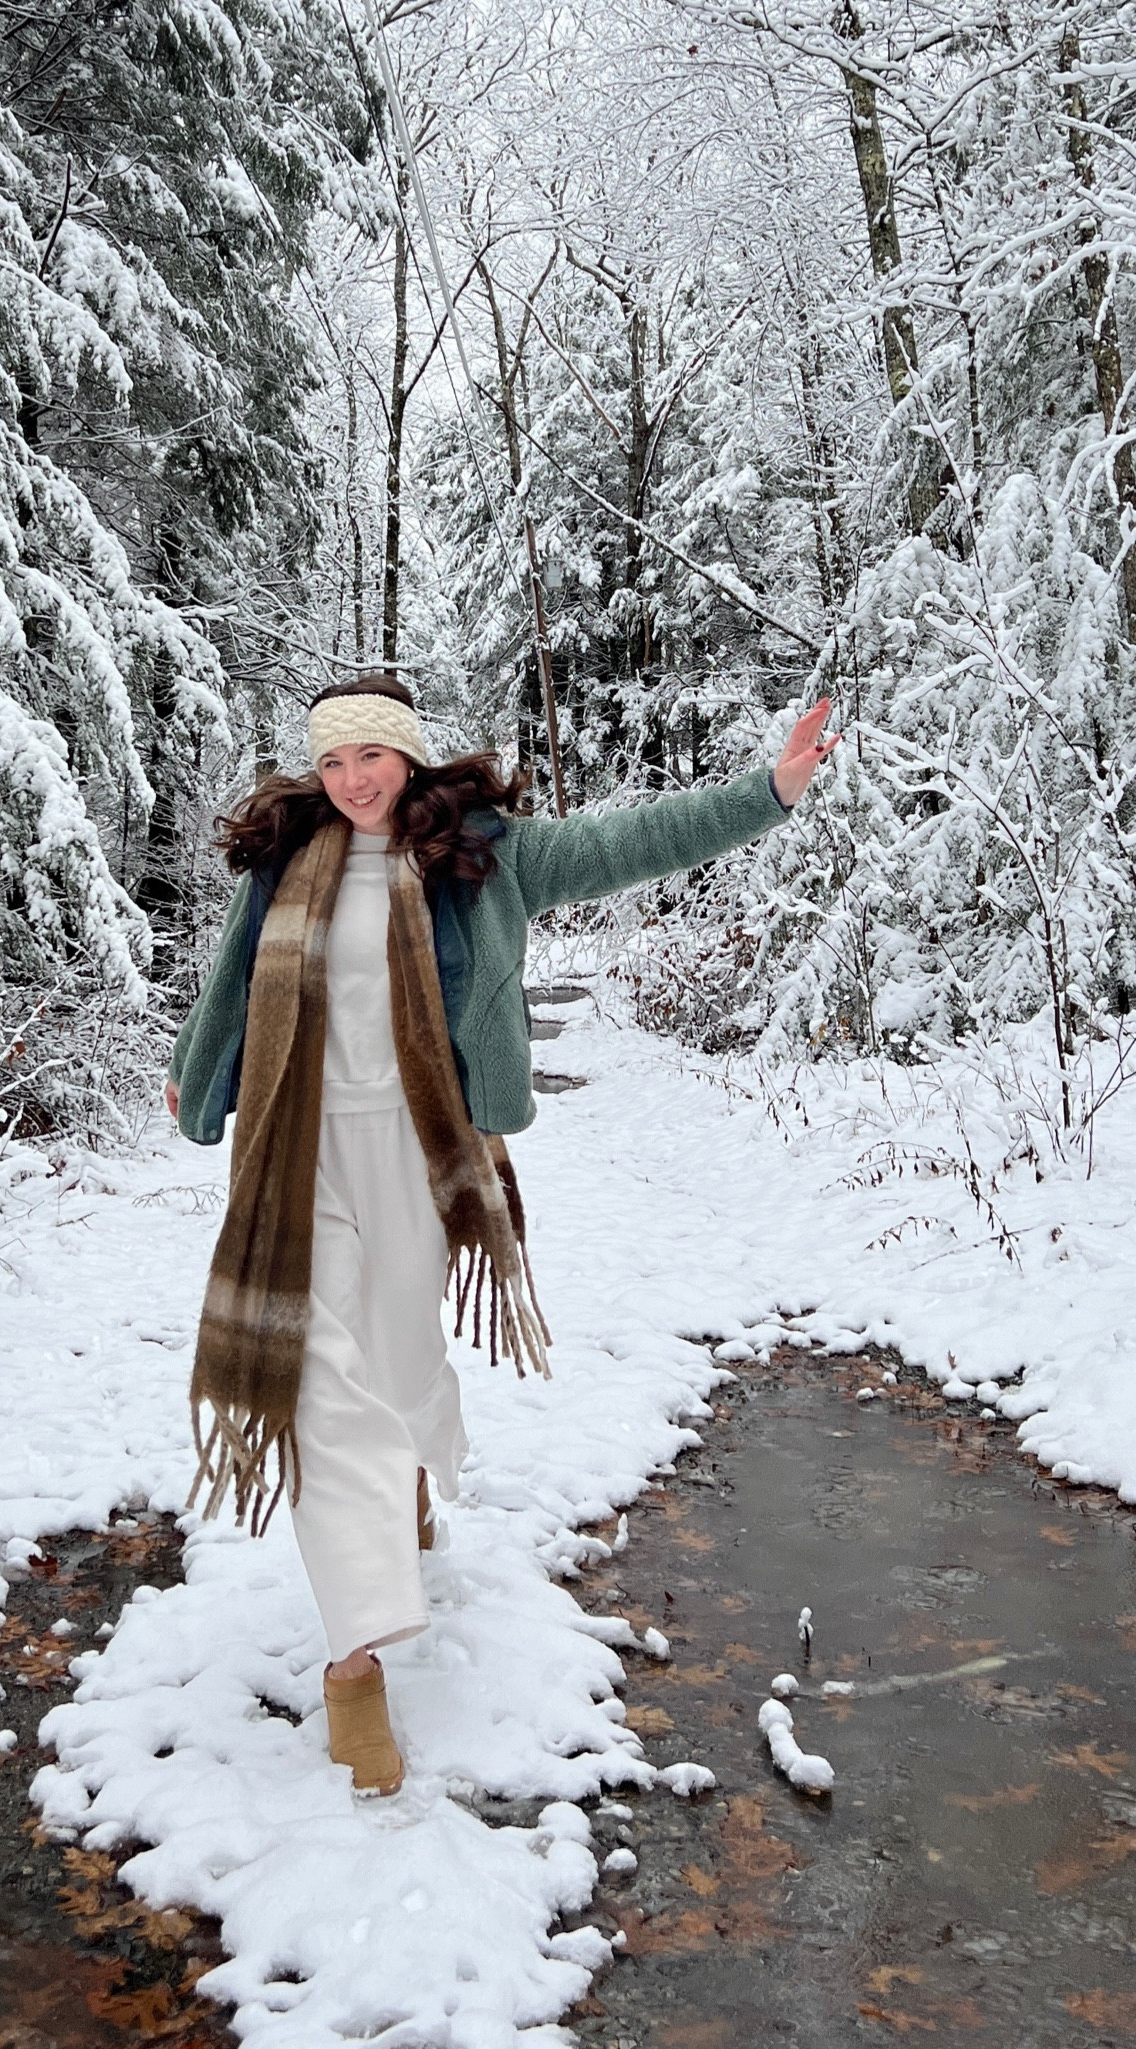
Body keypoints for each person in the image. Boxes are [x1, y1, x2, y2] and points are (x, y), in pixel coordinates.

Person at [165, 675, 837, 1796]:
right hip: (302, 1155)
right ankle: (355, 1660)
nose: (352, 780)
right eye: (332, 764)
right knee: (324, 1385)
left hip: (426, 1157)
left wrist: (765, 793)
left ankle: (411, 1486)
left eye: (370, 757)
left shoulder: (482, 854)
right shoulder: (293, 862)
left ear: (410, 757)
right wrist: (200, 1088)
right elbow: (232, 986)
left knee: (397, 1357)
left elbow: (632, 840)